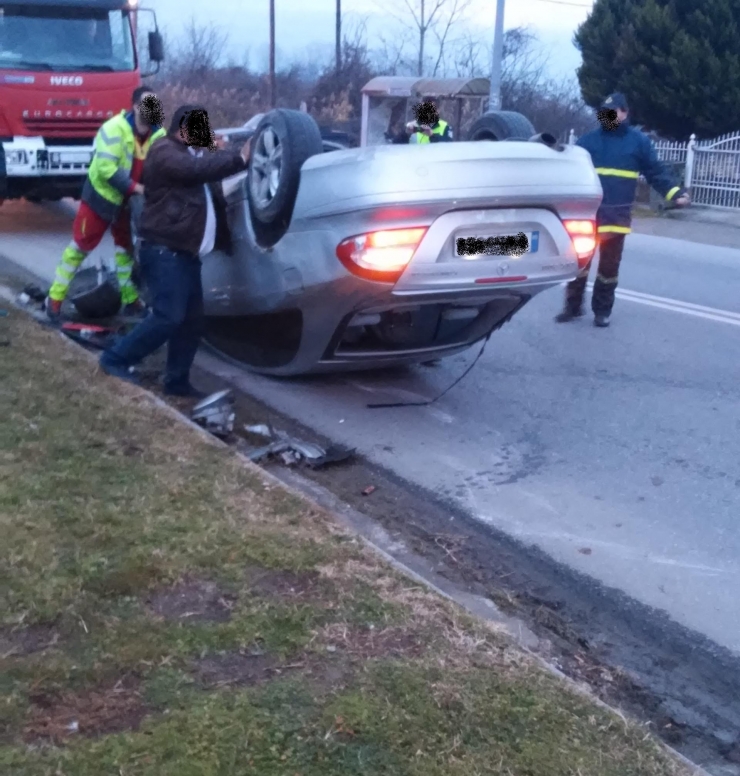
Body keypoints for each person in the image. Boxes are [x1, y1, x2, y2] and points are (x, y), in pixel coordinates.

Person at [98, 104, 251, 397]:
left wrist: (222, 151)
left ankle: (176, 381)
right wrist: (240, 157)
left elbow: (205, 166)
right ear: (182, 131)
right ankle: (114, 359)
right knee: (168, 316)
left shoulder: (194, 156)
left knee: (191, 323)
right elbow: (196, 170)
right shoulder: (164, 152)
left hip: (186, 255)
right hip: (164, 251)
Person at [555, 92, 690, 327]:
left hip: (616, 217)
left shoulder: (638, 143)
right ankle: (572, 307)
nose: (607, 115)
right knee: (578, 264)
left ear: (624, 113)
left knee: (608, 269)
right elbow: (569, 174)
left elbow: (656, 172)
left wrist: (675, 193)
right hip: (585, 218)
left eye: (613, 111)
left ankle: (602, 311)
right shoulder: (587, 142)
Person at [46, 87, 166, 321]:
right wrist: (138, 189)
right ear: (135, 106)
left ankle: (130, 300)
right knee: (80, 248)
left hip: (127, 204)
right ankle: (55, 299)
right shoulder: (113, 128)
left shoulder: (159, 134)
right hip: (101, 200)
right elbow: (106, 169)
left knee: (125, 251)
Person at [387, 97, 453, 144]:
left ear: (437, 111)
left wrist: (432, 135)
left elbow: (448, 147)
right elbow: (395, 145)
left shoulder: (445, 126)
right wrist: (406, 134)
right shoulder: (412, 125)